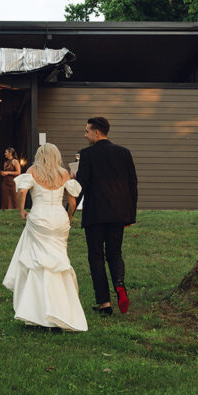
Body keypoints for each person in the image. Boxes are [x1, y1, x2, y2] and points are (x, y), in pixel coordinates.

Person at [2, 143, 87, 331]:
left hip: (40, 218)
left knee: (37, 264)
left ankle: (37, 313)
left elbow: (22, 192)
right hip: (58, 219)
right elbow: (72, 202)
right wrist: (69, 218)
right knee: (59, 264)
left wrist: (22, 210)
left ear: (39, 155)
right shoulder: (64, 173)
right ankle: (62, 311)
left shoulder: (33, 170)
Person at [73, 116, 138, 316]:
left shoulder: (87, 154)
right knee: (115, 253)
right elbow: (132, 185)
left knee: (96, 256)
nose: (85, 135)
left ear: (97, 132)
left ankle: (104, 303)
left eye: (87, 131)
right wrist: (130, 215)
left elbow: (80, 185)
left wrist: (69, 208)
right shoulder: (124, 153)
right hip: (118, 213)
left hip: (96, 213)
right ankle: (119, 284)